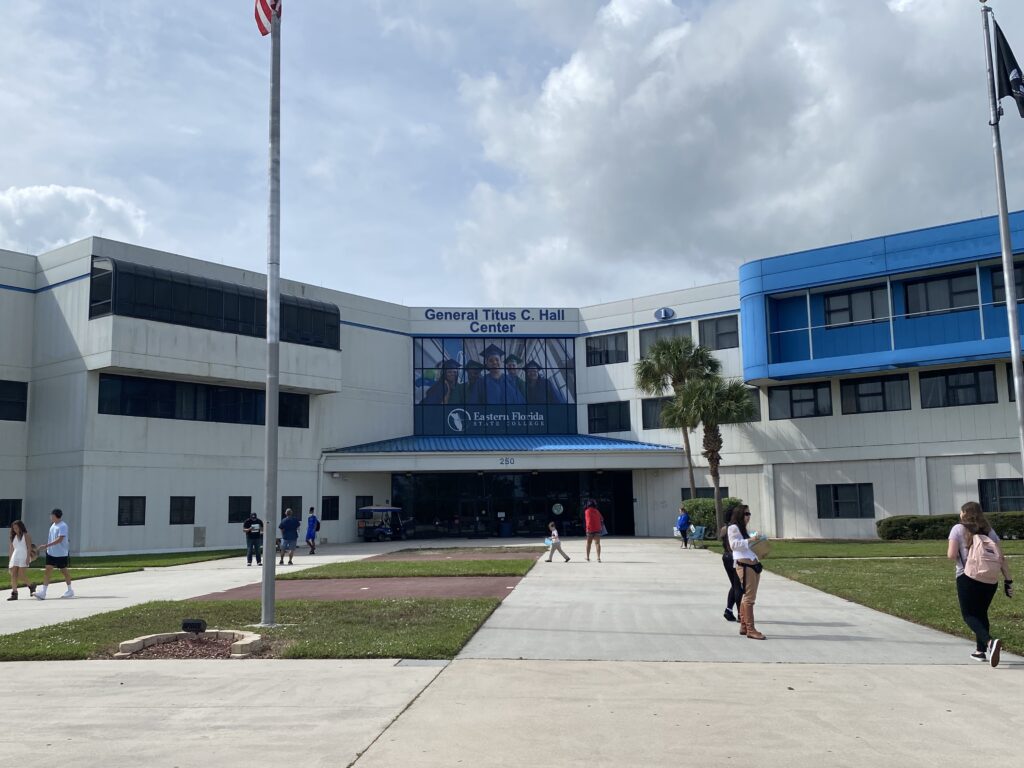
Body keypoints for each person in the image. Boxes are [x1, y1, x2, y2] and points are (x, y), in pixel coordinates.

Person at [947, 501, 1014, 666]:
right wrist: (1008, 580)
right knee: (981, 613)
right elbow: (1001, 557)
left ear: (964, 513)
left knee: (969, 615)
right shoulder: (989, 531)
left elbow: (951, 554)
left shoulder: (958, 529)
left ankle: (990, 642)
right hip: (990, 580)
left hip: (967, 577)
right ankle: (980, 651)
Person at [727, 505, 764, 639]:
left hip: (752, 563)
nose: (748, 516)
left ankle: (744, 626)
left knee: (747, 597)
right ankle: (750, 629)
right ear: (740, 515)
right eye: (746, 513)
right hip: (745, 565)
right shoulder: (733, 528)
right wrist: (750, 540)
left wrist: (758, 543)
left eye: (749, 514)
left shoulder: (743, 529)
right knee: (749, 598)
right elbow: (734, 545)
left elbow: (745, 545)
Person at [34, 508, 73, 600]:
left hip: (60, 554)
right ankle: (43, 592)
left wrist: (46, 545)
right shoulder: (53, 525)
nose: (50, 517)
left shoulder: (63, 526)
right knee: (47, 571)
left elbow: (60, 539)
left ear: (55, 516)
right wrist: (48, 548)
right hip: (51, 553)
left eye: (51, 515)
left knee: (64, 572)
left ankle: (70, 590)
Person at [719, 522, 743, 623]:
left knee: (734, 585)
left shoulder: (724, 528)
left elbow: (721, 538)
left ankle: (729, 610)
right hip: (734, 558)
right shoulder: (735, 528)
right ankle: (740, 614)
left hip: (726, 556)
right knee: (738, 587)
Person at [7, 520, 36, 600]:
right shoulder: (13, 537)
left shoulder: (26, 535)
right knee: (13, 575)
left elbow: (29, 547)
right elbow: (11, 549)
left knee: (21, 575)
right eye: (14, 528)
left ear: (20, 527)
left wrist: (27, 558)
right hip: (15, 556)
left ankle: (31, 586)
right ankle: (14, 593)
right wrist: (10, 560)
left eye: (16, 528)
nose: (15, 530)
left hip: (23, 555)